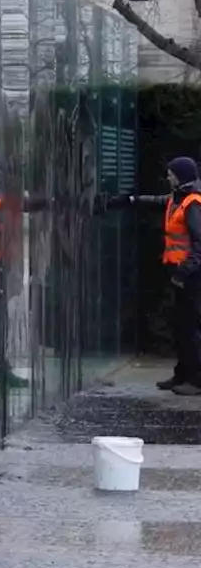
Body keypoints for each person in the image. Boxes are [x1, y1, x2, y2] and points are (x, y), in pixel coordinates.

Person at [98, 156, 201, 395]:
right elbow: (157, 201)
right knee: (180, 327)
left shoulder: (192, 204)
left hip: (191, 277)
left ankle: (196, 381)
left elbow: (200, 245)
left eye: (171, 174)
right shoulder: (177, 199)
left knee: (190, 328)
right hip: (180, 273)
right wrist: (129, 200)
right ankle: (182, 374)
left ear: (181, 176)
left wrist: (184, 273)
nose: (167, 177)